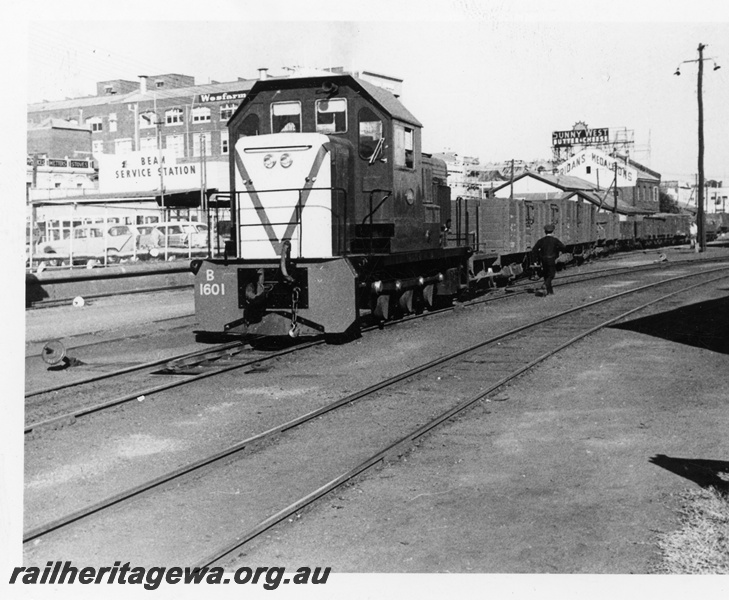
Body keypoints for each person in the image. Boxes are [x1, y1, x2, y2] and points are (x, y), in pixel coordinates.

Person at [532, 224, 566, 296]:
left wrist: (536, 260)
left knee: (546, 274)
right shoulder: (555, 240)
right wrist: (558, 251)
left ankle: (550, 291)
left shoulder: (541, 240)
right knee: (551, 275)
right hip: (551, 259)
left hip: (543, 260)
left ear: (545, 232)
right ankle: (545, 285)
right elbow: (563, 247)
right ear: (553, 231)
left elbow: (534, 250)